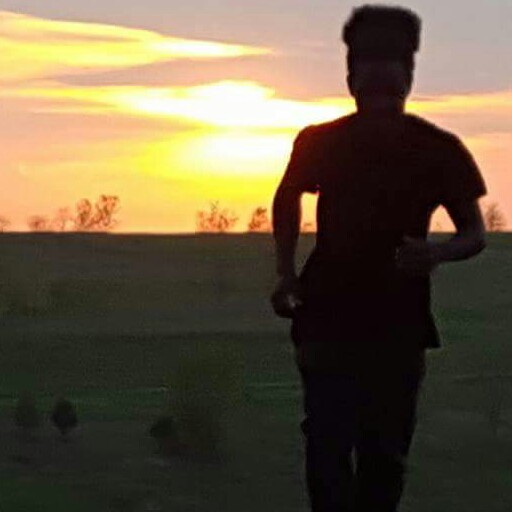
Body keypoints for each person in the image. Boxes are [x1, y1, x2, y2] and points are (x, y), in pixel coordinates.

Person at [271, 5, 487, 512]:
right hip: (331, 316)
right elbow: (286, 197)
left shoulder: (438, 148)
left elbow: (474, 234)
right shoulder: (320, 141)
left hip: (394, 323)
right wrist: (285, 274)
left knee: (378, 453)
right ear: (351, 78)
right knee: (333, 446)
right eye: (369, 65)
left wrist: (436, 252)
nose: (380, 81)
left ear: (408, 77)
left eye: (390, 67)